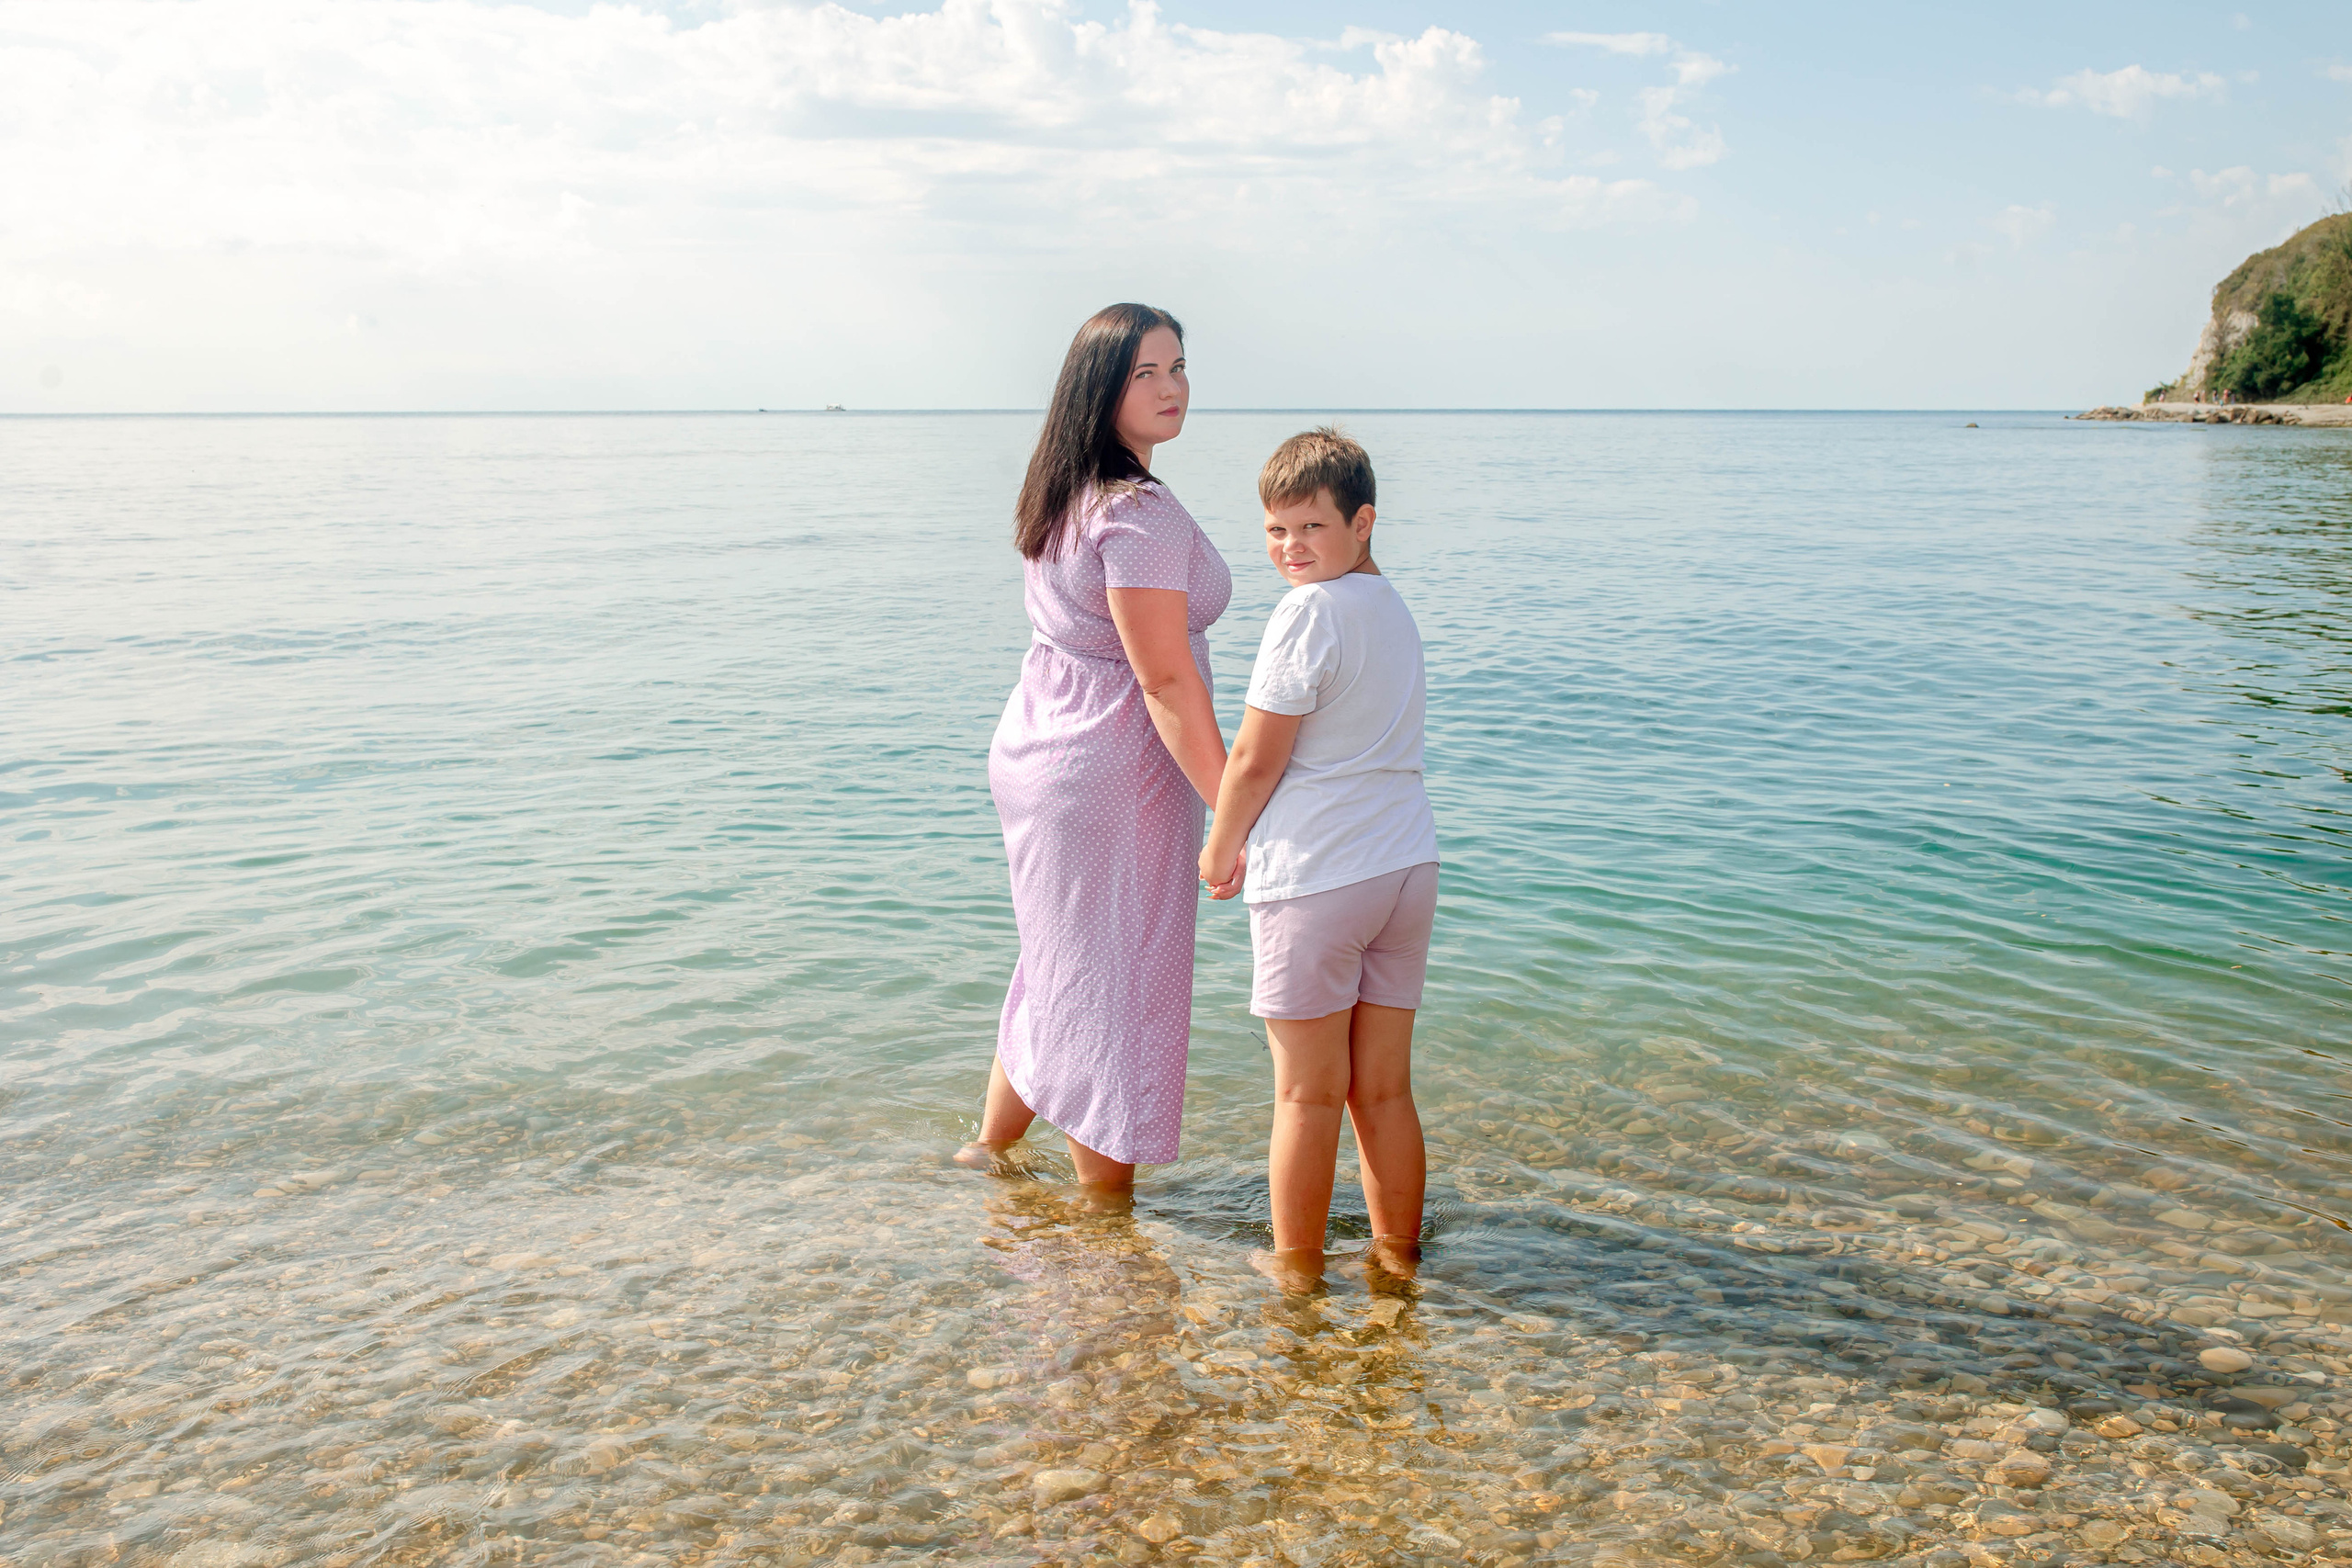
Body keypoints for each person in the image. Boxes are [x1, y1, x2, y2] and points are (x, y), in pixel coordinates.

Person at [958, 304, 1233, 1194]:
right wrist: (1236, 810)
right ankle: (1104, 1217)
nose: (1171, 388)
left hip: (1042, 748)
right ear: (1100, 388)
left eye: (1178, 367)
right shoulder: (1136, 512)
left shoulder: (1068, 495)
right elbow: (1164, 681)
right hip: (1107, 770)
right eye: (1145, 372)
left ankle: (988, 1149)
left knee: (1062, 958)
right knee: (1112, 981)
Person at [1198, 428, 1439, 1291]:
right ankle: (1396, 1259)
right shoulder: (1393, 607)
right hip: (1405, 866)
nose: (1291, 548)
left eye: (1311, 527)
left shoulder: (1308, 612)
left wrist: (1221, 846)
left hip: (1322, 874)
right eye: (1274, 531)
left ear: (1363, 520)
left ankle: (1296, 1272)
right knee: (1383, 1090)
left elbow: (1258, 757)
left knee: (1304, 1093)